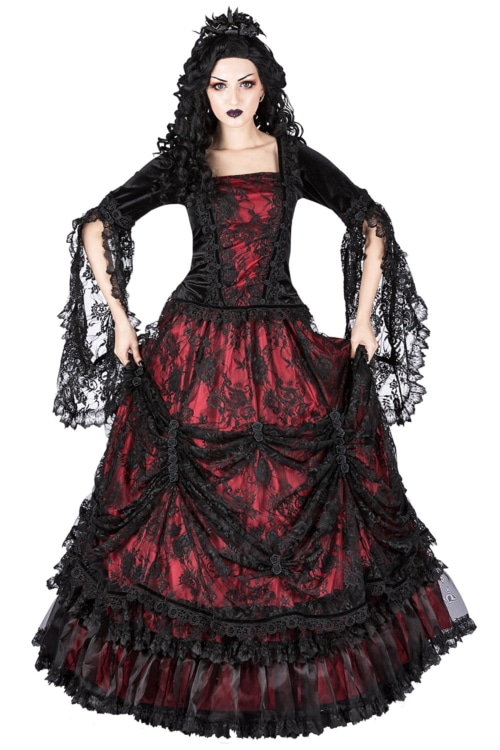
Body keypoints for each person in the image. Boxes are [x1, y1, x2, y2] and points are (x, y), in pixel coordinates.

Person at [33, 8, 475, 739]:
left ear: (265, 87)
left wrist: (364, 318)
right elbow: (97, 223)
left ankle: (282, 672)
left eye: (245, 82)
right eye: (219, 85)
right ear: (201, 93)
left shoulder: (290, 158)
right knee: (175, 504)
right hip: (196, 346)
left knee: (290, 497)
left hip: (279, 341)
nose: (233, 96)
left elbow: (369, 219)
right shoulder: (187, 161)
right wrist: (117, 317)